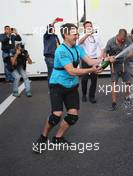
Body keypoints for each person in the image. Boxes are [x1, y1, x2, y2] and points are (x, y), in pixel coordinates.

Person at [34, 23, 113, 152]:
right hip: (57, 85)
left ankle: (58, 138)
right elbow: (71, 70)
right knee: (56, 115)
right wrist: (91, 70)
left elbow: (91, 61)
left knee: (73, 116)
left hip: (71, 85)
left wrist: (106, 59)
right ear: (65, 35)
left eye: (77, 33)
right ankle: (43, 137)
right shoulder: (61, 50)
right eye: (74, 34)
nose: (77, 36)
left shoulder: (78, 48)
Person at [104, 29, 133, 111]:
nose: (122, 41)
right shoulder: (110, 41)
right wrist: (109, 58)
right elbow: (104, 53)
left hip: (125, 63)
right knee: (114, 83)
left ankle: (127, 97)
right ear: (118, 35)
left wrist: (126, 56)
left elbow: (131, 52)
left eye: (124, 39)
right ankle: (114, 103)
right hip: (114, 65)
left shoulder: (128, 40)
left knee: (128, 82)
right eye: (121, 39)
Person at [79, 21, 104, 103]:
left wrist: (100, 57)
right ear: (84, 28)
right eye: (87, 27)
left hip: (94, 59)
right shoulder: (82, 35)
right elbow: (79, 42)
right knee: (84, 79)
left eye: (90, 26)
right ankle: (84, 95)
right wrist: (87, 34)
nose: (89, 28)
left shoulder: (97, 36)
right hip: (85, 59)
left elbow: (102, 48)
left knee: (94, 79)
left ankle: (91, 96)